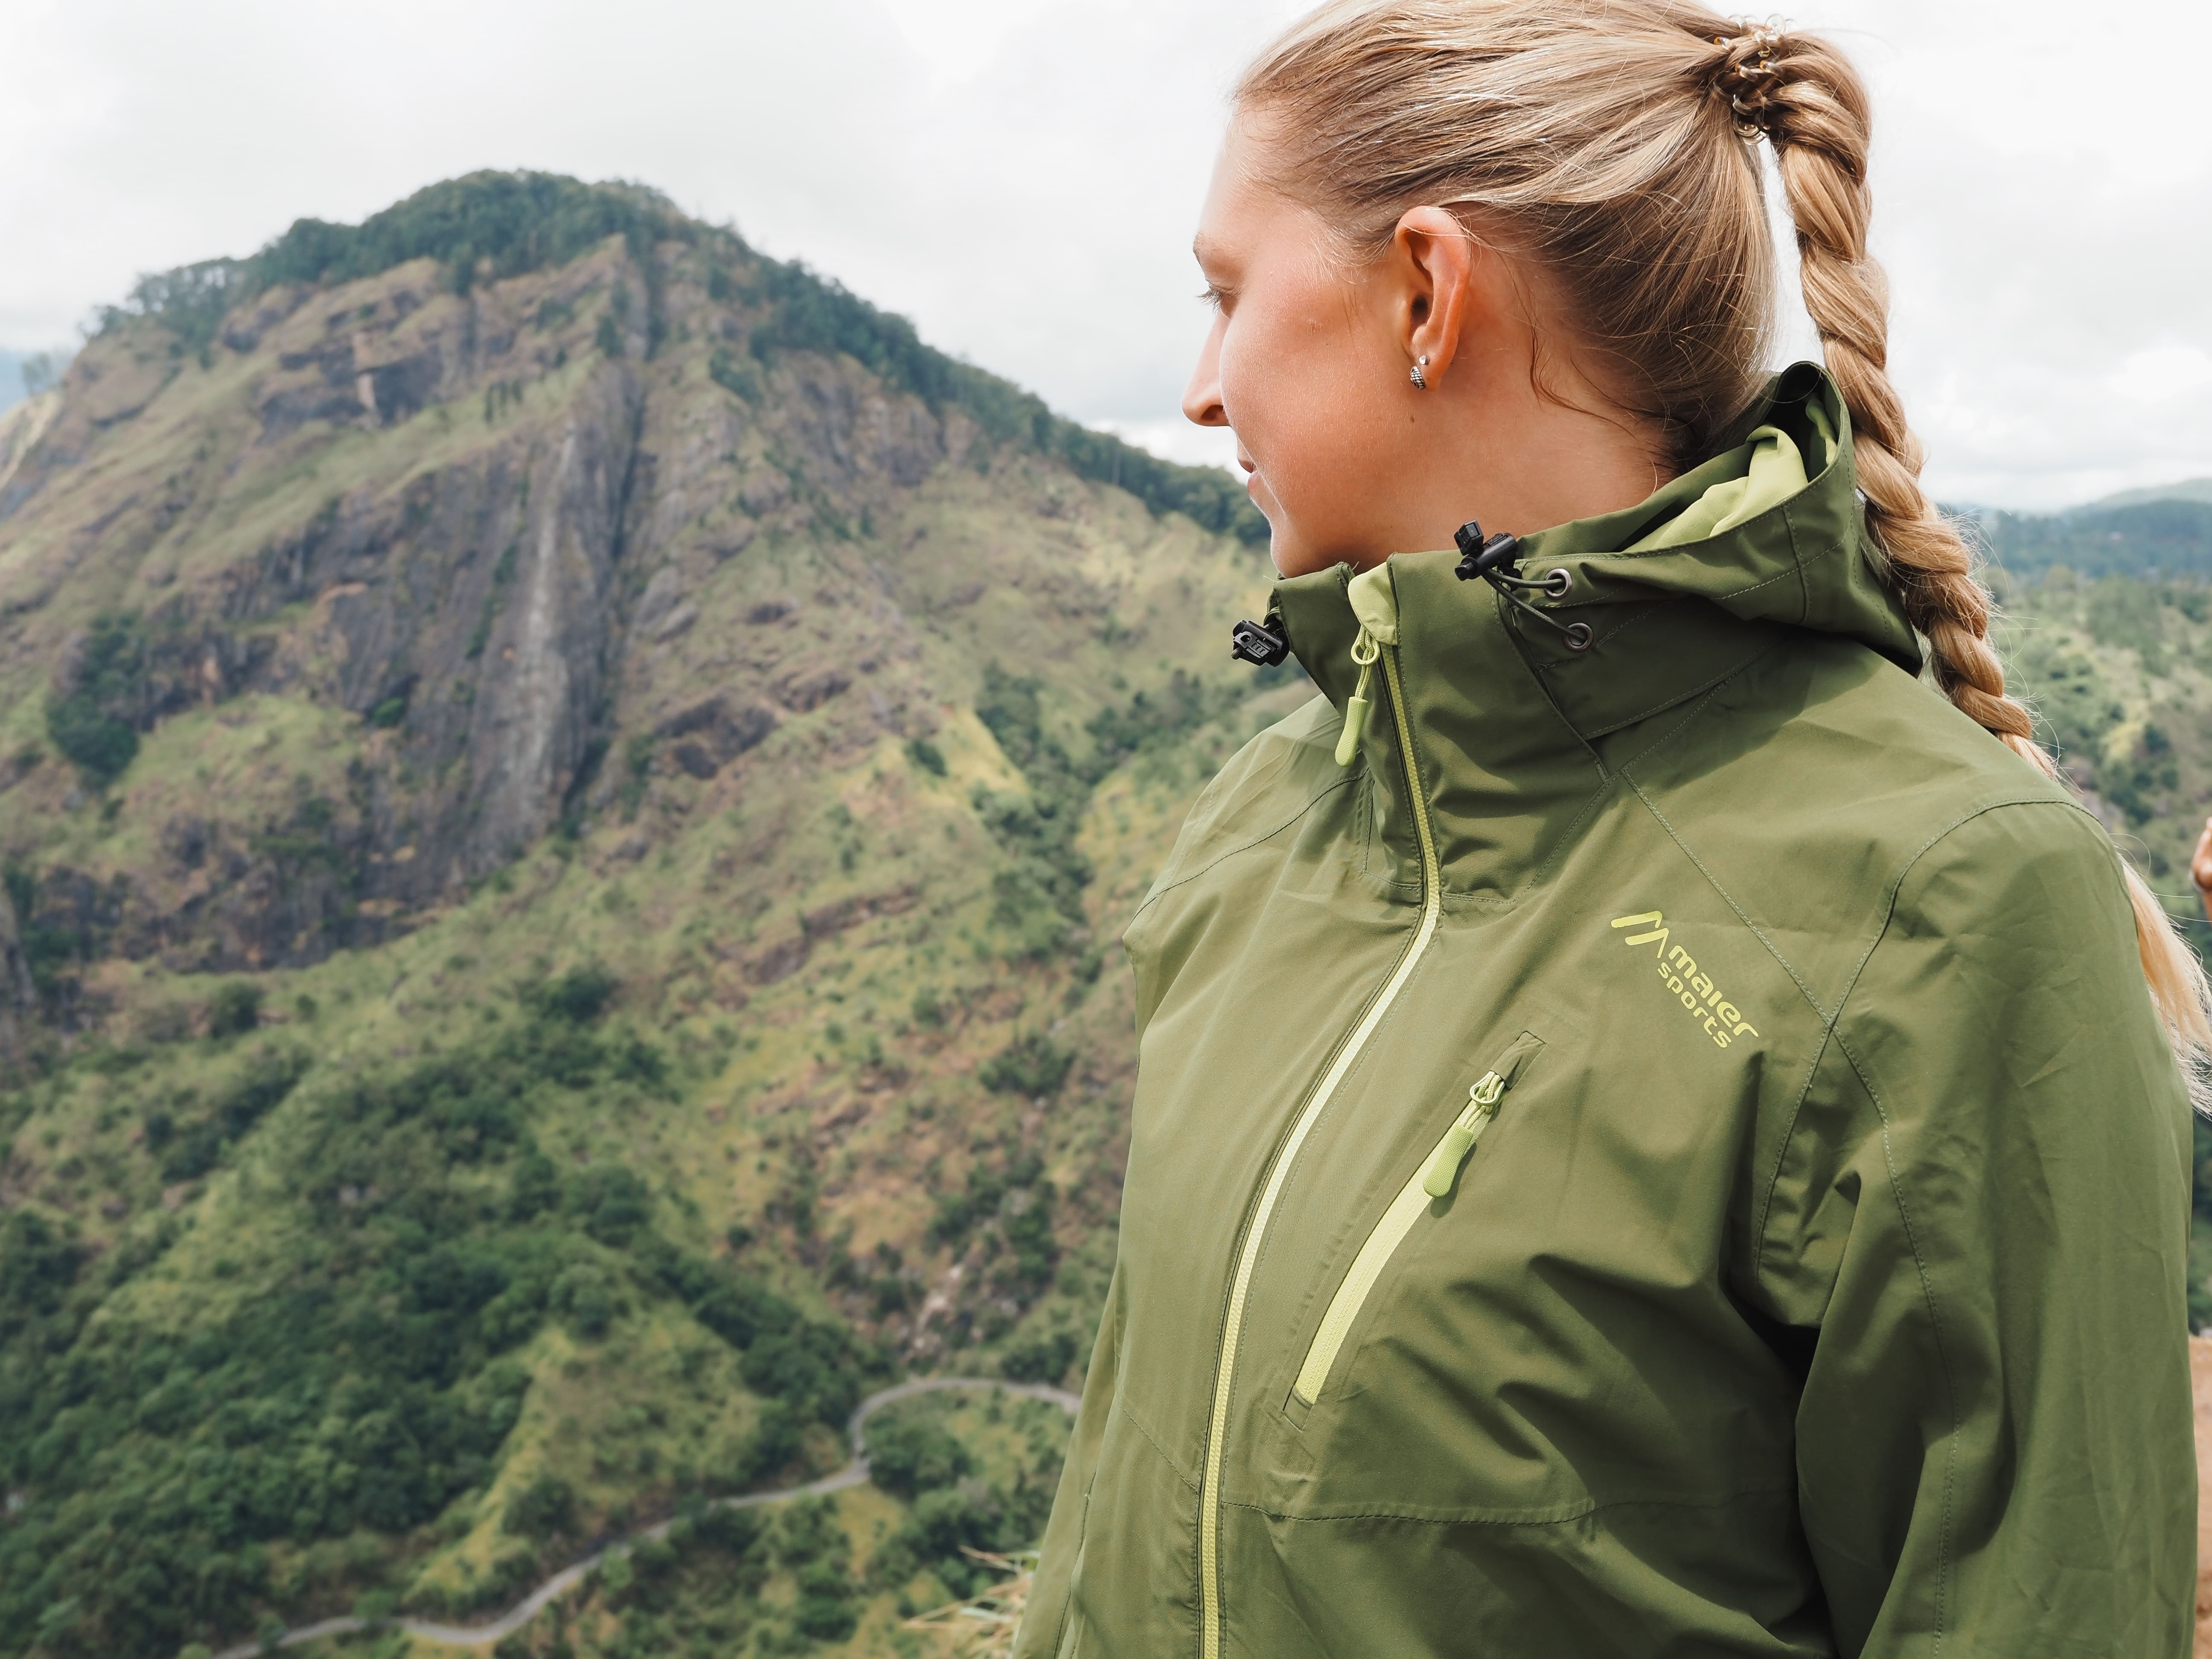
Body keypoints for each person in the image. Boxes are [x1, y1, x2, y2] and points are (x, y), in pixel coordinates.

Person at [1013, 3, 2209, 1655]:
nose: (1203, 391)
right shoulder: (1265, 824)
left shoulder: (1945, 897)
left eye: (1228, 295)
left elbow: (2040, 1610)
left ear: (1428, 292)